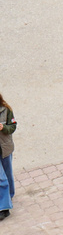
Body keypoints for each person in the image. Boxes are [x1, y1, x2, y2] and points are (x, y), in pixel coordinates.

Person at [0, 91, 15, 220]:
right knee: (1, 178)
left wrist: (3, 128)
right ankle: (4, 207)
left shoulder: (6, 110)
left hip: (5, 148)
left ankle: (9, 195)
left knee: (8, 174)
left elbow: (12, 127)